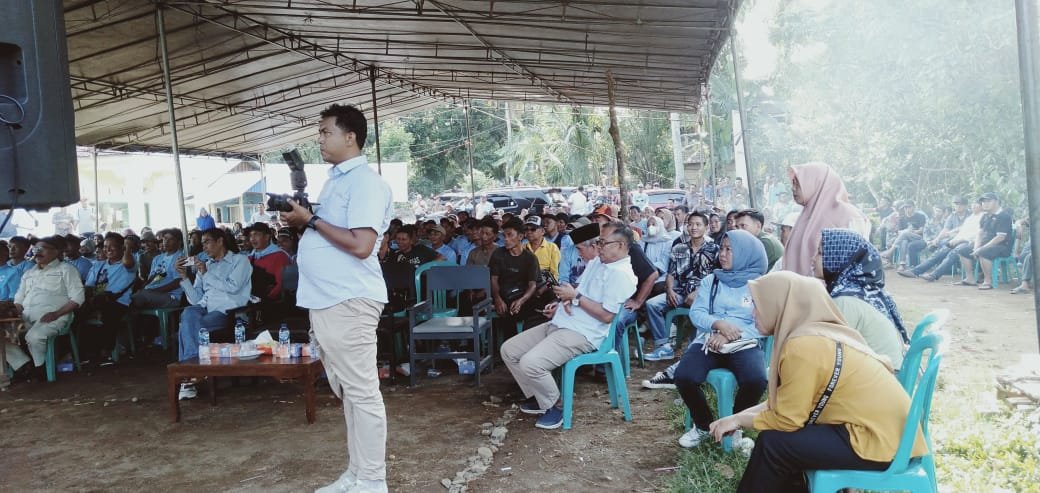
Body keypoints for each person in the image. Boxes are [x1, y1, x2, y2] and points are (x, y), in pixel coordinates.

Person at [708, 271, 926, 493]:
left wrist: (739, 420)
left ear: (779, 305)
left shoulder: (802, 347)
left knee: (773, 444)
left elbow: (787, 420)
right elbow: (785, 404)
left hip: (880, 443)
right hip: (889, 436)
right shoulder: (815, 334)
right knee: (784, 442)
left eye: (757, 305)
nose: (752, 312)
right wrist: (736, 418)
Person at [280, 104, 394, 493]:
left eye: (326, 132)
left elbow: (362, 245)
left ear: (350, 137)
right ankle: (357, 473)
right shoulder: (336, 181)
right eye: (319, 132)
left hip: (349, 300)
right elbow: (330, 233)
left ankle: (373, 480)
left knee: (361, 392)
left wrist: (310, 220)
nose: (320, 139)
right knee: (348, 392)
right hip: (329, 300)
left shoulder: (365, 183)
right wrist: (303, 220)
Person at [502, 225, 637, 429]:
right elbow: (581, 291)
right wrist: (561, 303)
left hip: (584, 333)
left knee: (531, 363)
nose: (598, 246)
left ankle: (557, 406)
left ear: (620, 245)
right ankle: (541, 397)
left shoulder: (622, 274)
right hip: (564, 322)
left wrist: (576, 297)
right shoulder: (599, 262)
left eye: (602, 243)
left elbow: (607, 316)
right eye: (598, 242)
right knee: (509, 350)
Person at [673, 230, 768, 448]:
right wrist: (718, 324)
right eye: (722, 248)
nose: (722, 254)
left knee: (756, 380)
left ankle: (733, 427)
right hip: (709, 340)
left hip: (744, 342)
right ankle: (703, 425)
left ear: (745, 254)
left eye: (729, 250)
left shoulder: (759, 285)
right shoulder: (712, 280)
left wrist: (730, 334)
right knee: (684, 376)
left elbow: (764, 324)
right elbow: (697, 313)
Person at [813, 229, 908, 367]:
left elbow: (828, 353)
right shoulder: (863, 291)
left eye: (820, 253)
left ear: (840, 258)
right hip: (886, 372)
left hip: (883, 376)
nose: (813, 258)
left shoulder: (845, 300)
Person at [175, 228, 252, 391]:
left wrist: (205, 273)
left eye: (207, 242)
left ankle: (189, 376)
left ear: (220, 241)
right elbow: (195, 299)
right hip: (205, 308)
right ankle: (194, 371)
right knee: (188, 313)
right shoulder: (207, 265)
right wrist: (184, 277)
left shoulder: (240, 261)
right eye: (202, 243)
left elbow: (233, 287)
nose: (203, 247)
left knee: (186, 327)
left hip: (227, 311)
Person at [4, 236, 84, 383]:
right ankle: (25, 367)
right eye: (35, 249)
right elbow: (19, 299)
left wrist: (57, 313)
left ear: (56, 251)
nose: (37, 252)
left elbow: (78, 298)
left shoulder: (66, 269)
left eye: (42, 249)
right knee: (3, 336)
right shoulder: (29, 273)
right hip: (26, 318)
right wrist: (16, 312)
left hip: (55, 317)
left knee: (34, 337)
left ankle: (40, 370)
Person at [642, 211, 719, 363]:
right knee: (652, 304)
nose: (693, 227)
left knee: (700, 311)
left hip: (703, 294)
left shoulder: (714, 249)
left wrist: (698, 292)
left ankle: (693, 350)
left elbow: (716, 277)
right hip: (681, 291)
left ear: (706, 227)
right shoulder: (679, 247)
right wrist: (669, 290)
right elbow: (671, 273)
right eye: (690, 224)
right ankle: (663, 346)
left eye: (698, 224)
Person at [782, 162, 870, 276]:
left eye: (798, 184)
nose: (793, 188)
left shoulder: (850, 216)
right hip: (798, 285)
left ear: (817, 183)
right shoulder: (806, 216)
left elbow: (858, 262)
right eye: (793, 183)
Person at [81, 232, 137, 361]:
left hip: (119, 301)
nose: (108, 250)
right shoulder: (98, 265)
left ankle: (105, 350)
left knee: (109, 312)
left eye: (112, 246)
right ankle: (82, 351)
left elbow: (128, 262)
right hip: (97, 300)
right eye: (105, 247)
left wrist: (128, 247)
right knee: (78, 311)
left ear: (121, 247)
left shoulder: (128, 263)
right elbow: (89, 286)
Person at [490, 219, 541, 330]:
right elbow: (493, 279)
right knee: (508, 309)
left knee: (530, 307)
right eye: (504, 236)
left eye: (510, 235)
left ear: (520, 236)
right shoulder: (498, 254)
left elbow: (532, 285)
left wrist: (521, 301)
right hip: (502, 294)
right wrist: (498, 299)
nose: (506, 239)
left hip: (521, 295)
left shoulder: (530, 258)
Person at [961, 192, 1013, 290]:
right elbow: (979, 233)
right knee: (963, 250)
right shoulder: (985, 216)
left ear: (996, 202)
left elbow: (1000, 237)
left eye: (988, 201)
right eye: (983, 202)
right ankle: (970, 278)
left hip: (1002, 246)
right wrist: (976, 247)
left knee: (983, 252)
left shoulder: (1004, 216)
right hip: (986, 244)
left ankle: (988, 281)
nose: (985, 204)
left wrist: (981, 248)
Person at [131, 228, 185, 309]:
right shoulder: (158, 258)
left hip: (171, 296)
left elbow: (178, 282)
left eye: (171, 239)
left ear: (179, 242)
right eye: (165, 238)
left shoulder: (181, 258)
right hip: (152, 293)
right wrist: (144, 287)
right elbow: (152, 278)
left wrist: (154, 291)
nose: (166, 242)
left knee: (138, 298)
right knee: (130, 298)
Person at [246, 222, 293, 303]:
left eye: (256, 235)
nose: (252, 239)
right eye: (251, 235)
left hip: (271, 304)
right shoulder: (250, 257)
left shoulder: (280, 256)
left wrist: (262, 300)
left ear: (267, 237)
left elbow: (280, 285)